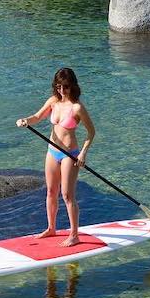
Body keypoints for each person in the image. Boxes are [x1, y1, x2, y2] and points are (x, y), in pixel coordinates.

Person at [15, 68, 96, 247]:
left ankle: (74, 235)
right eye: (58, 86)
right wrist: (26, 120)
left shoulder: (77, 107)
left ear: (73, 86)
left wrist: (83, 153)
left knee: (67, 195)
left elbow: (91, 132)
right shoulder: (53, 101)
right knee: (51, 191)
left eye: (65, 87)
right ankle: (51, 228)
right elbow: (37, 117)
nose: (61, 91)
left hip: (70, 155)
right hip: (52, 152)